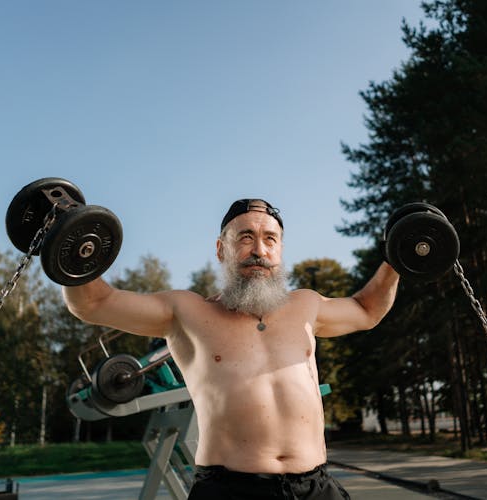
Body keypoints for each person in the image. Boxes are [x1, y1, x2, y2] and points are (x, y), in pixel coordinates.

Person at [63, 199, 400, 500]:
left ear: (280, 251)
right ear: (221, 249)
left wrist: (396, 258)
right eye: (245, 237)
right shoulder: (186, 312)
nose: (259, 250)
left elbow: (366, 310)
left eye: (270, 239)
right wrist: (70, 239)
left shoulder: (307, 305)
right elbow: (93, 303)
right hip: (230, 489)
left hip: (314, 487)